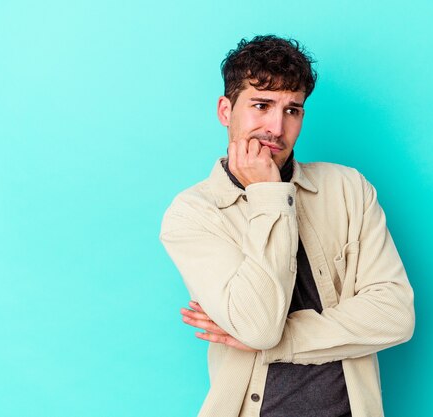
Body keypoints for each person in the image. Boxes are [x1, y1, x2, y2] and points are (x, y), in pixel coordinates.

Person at [160, 34, 415, 417]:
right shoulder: (193, 214)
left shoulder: (348, 189)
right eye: (261, 105)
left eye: (292, 110)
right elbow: (259, 326)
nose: (276, 128)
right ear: (225, 111)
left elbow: (396, 315)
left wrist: (280, 343)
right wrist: (269, 195)